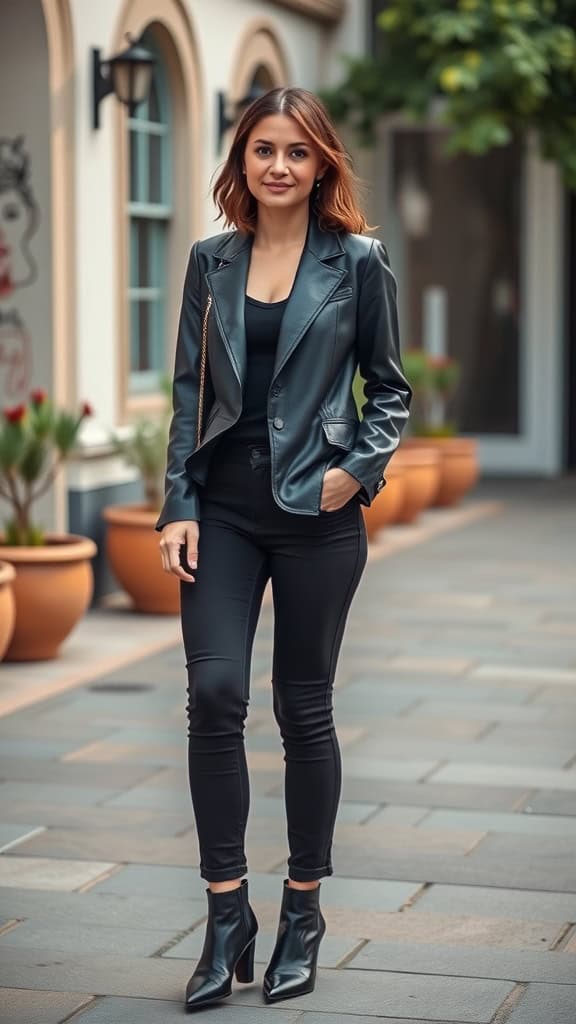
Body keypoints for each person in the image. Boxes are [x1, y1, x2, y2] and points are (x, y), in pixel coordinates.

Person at [156, 86, 411, 1013]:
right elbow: (188, 391)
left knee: (303, 707)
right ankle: (229, 915)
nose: (278, 166)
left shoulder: (359, 263)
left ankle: (304, 908)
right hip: (221, 506)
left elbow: (389, 388)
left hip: (317, 511)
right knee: (214, 694)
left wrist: (359, 473)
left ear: (321, 166)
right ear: (243, 159)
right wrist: (177, 501)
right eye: (263, 149)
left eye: (296, 153)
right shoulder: (208, 261)